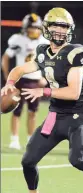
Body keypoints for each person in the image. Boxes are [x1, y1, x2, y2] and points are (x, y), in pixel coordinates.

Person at [1, 7, 83, 193]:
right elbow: (20, 69)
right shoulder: (43, 51)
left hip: (77, 117)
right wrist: (9, 82)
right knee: (28, 161)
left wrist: (43, 91)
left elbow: (73, 92)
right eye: (55, 26)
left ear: (70, 29)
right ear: (46, 28)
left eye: (64, 27)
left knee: (78, 160)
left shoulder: (77, 52)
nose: (60, 31)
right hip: (55, 116)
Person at [2, 13, 49, 150]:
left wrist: (45, 78)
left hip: (35, 82)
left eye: (36, 27)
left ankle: (30, 139)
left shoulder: (44, 42)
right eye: (31, 27)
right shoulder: (18, 39)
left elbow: (50, 63)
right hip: (20, 81)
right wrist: (7, 78)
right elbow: (5, 57)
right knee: (16, 110)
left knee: (33, 112)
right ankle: (14, 139)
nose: (34, 30)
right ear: (25, 28)